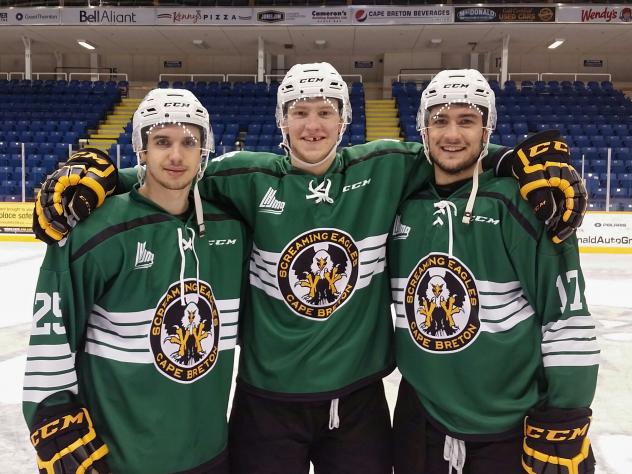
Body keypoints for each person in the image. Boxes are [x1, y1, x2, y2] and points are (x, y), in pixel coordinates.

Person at [32, 63, 587, 474]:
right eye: (300, 111)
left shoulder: (387, 166)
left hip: (361, 399)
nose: (313, 124)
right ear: (283, 120)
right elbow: (174, 176)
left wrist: (516, 158)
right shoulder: (244, 177)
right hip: (265, 404)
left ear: (345, 118)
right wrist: (103, 177)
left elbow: (454, 154)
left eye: (326, 111)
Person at [23, 89, 249, 474]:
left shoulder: (232, 228)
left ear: (204, 150)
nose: (176, 155)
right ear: (141, 149)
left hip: (211, 453)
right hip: (125, 460)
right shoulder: (95, 231)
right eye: (161, 141)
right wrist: (52, 414)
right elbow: (53, 330)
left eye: (188, 142)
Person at [388, 69, 599, 474]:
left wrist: (565, 418)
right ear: (422, 128)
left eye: (467, 120)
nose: (452, 134)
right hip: (421, 421)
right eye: (439, 120)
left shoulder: (527, 204)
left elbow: (566, 317)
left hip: (509, 424)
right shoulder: (400, 201)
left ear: (488, 127)